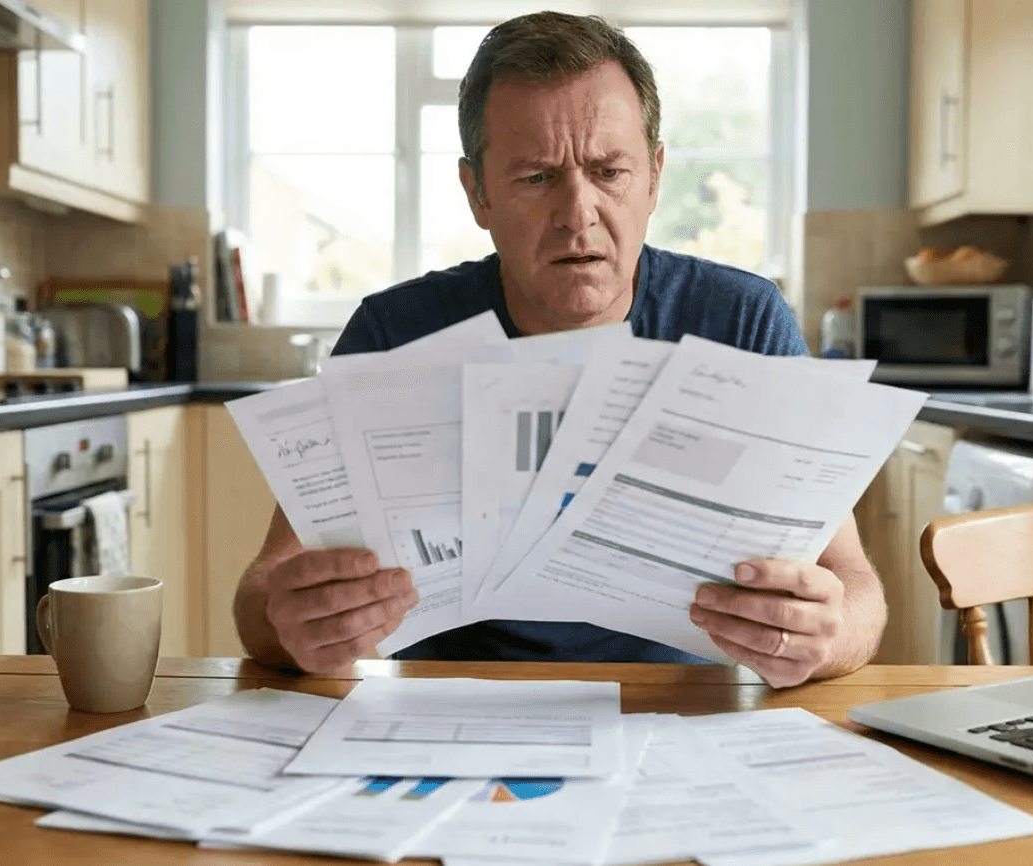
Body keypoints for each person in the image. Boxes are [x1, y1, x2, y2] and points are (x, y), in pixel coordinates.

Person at [234, 11, 886, 689]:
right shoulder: (394, 335)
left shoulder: (744, 322)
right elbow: (262, 594)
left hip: (687, 708)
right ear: (477, 192)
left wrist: (827, 634)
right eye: (537, 178)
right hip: (449, 709)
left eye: (609, 171)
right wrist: (291, 626)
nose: (578, 213)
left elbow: (856, 587)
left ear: (655, 176)